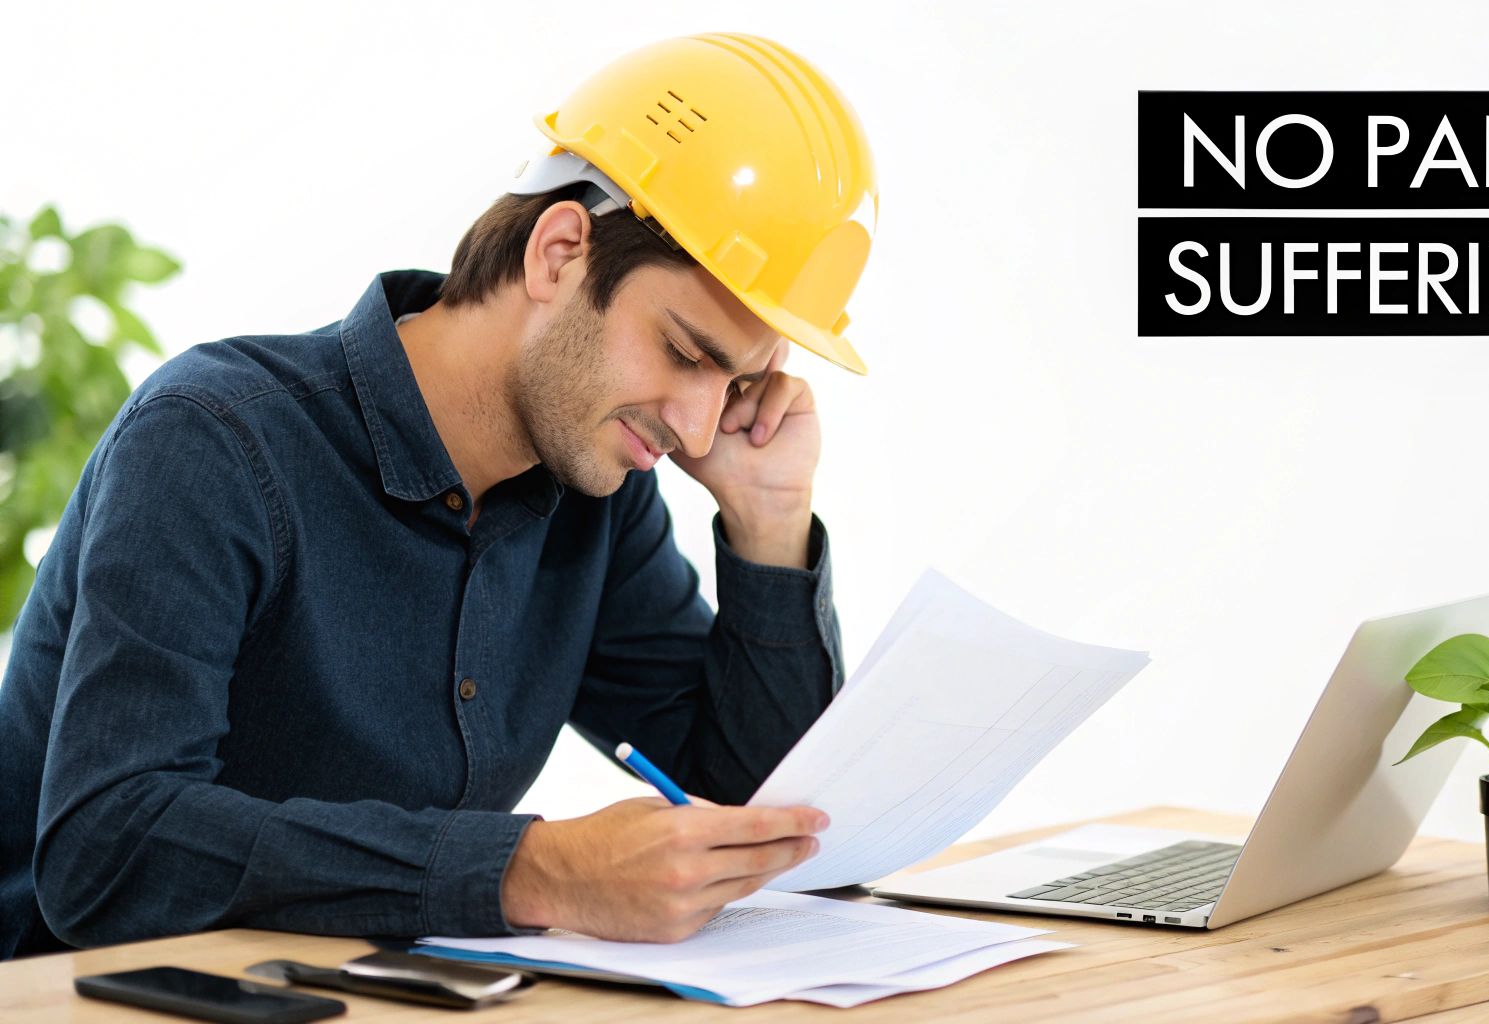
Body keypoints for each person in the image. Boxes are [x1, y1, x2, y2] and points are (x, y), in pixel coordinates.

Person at [0, 31, 880, 959]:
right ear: (559, 252)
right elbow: (109, 851)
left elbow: (763, 823)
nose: (699, 431)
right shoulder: (214, 443)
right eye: (686, 353)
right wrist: (530, 870)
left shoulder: (597, 487)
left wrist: (767, 520)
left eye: (736, 384)